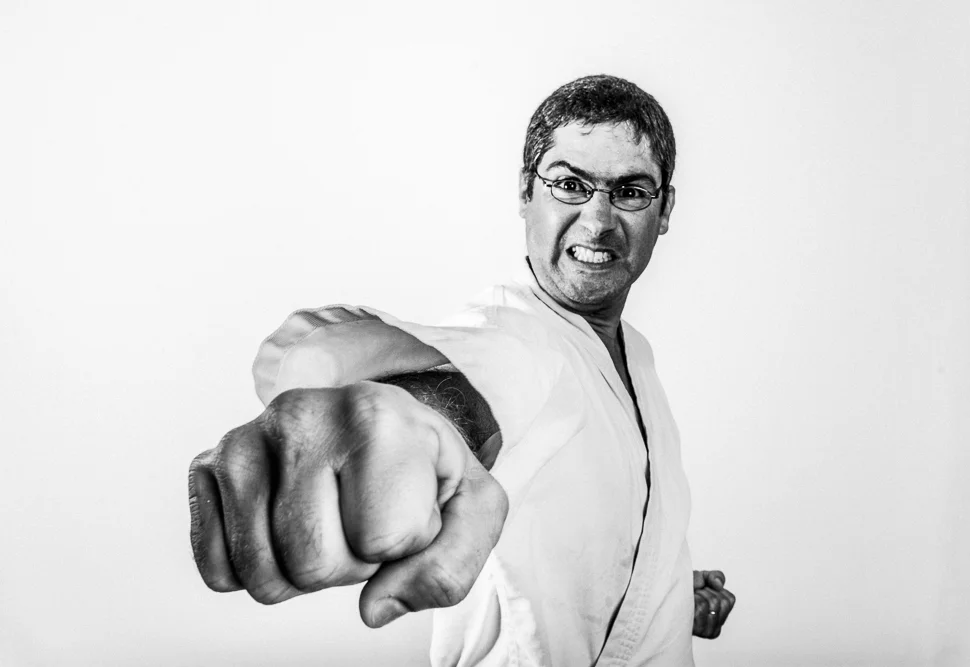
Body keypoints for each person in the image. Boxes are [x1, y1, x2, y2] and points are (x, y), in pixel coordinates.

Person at [188, 74, 736, 666]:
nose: (598, 220)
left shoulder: (637, 354)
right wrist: (394, 436)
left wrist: (669, 591)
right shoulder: (518, 342)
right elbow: (470, 391)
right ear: (526, 191)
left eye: (630, 191)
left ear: (665, 208)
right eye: (569, 184)